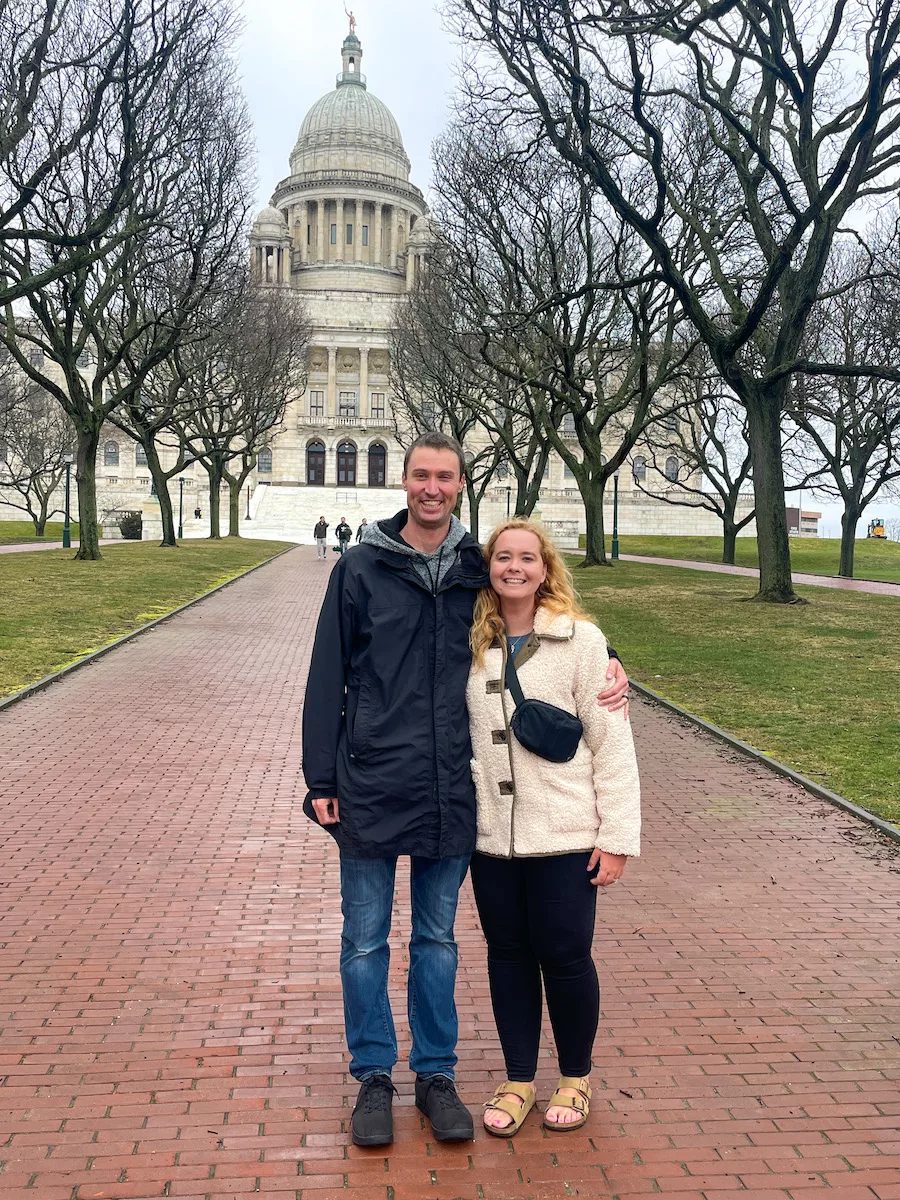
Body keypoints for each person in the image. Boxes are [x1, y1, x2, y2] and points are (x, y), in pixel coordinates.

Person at [301, 431, 629, 1149]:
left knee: (437, 940)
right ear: (405, 481)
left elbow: (538, 612)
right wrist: (320, 774)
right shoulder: (358, 567)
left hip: (453, 785)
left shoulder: (476, 569)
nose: (431, 488)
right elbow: (329, 671)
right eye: (421, 475)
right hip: (372, 779)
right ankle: (374, 1079)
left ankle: (436, 1076)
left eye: (444, 477)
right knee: (363, 942)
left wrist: (612, 662)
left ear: (459, 483)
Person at [467, 519, 641, 1138]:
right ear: (488, 566)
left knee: (565, 956)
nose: (514, 568)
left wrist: (616, 837)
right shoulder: (471, 639)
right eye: (502, 558)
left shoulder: (582, 641)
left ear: (546, 570)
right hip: (492, 836)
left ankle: (575, 1076)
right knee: (508, 957)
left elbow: (611, 744)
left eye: (527, 559)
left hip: (565, 832)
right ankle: (518, 1080)